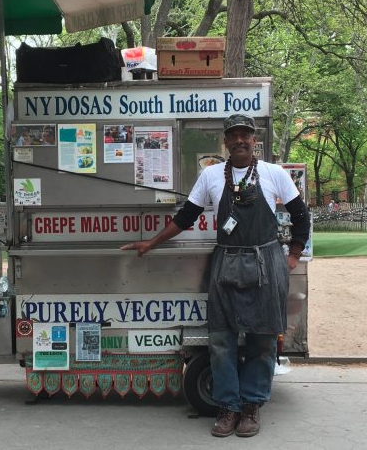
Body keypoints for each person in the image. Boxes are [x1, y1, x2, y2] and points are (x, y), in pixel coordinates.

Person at [120, 114, 309, 438]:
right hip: (226, 263)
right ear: (225, 141)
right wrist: (151, 242)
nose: (239, 141)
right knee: (220, 341)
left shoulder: (273, 174)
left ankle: (251, 407)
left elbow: (301, 215)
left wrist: (292, 255)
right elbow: (186, 217)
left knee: (262, 341)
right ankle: (227, 407)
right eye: (233, 135)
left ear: (254, 140)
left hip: (266, 262)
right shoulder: (210, 176)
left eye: (245, 135)